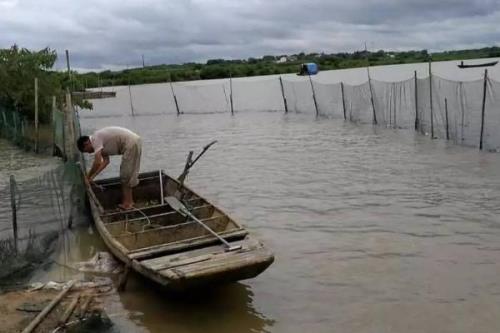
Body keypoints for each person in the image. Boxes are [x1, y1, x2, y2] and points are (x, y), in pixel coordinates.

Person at [77, 126, 142, 210]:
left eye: (87, 151)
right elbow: (105, 162)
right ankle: (129, 202)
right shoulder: (99, 143)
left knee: (125, 175)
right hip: (134, 142)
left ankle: (128, 203)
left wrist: (87, 177)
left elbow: (97, 162)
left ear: (86, 143)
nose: (89, 153)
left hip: (131, 143)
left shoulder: (95, 139)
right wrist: (92, 177)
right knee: (127, 174)